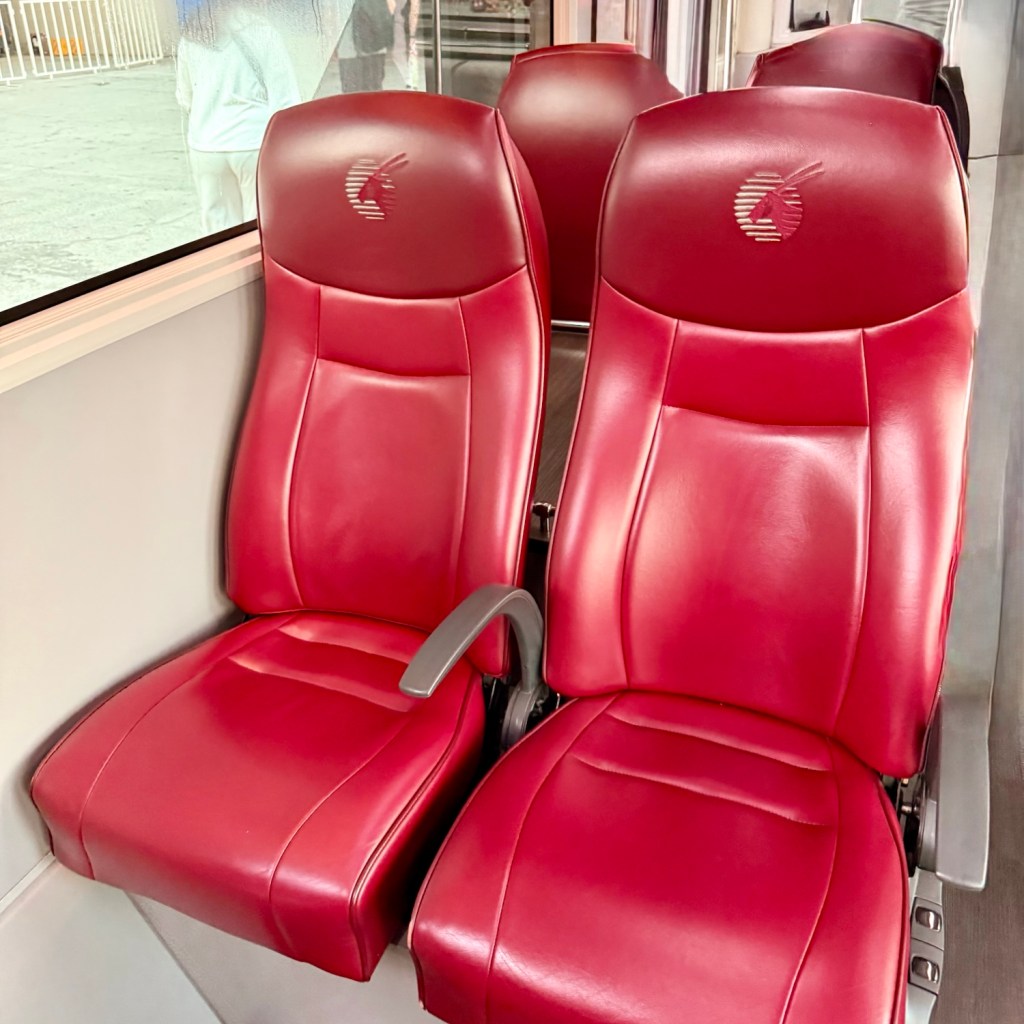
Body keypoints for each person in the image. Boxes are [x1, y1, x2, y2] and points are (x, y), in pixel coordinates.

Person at [176, 0, 302, 233]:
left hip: (206, 147)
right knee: (258, 228)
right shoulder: (261, 31)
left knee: (217, 234)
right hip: (252, 144)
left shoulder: (191, 34)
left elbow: (185, 97)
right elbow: (285, 100)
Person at [337, 0, 397, 94]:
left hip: (349, 49)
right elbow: (392, 7)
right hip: (374, 42)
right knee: (373, 94)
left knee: (351, 97)